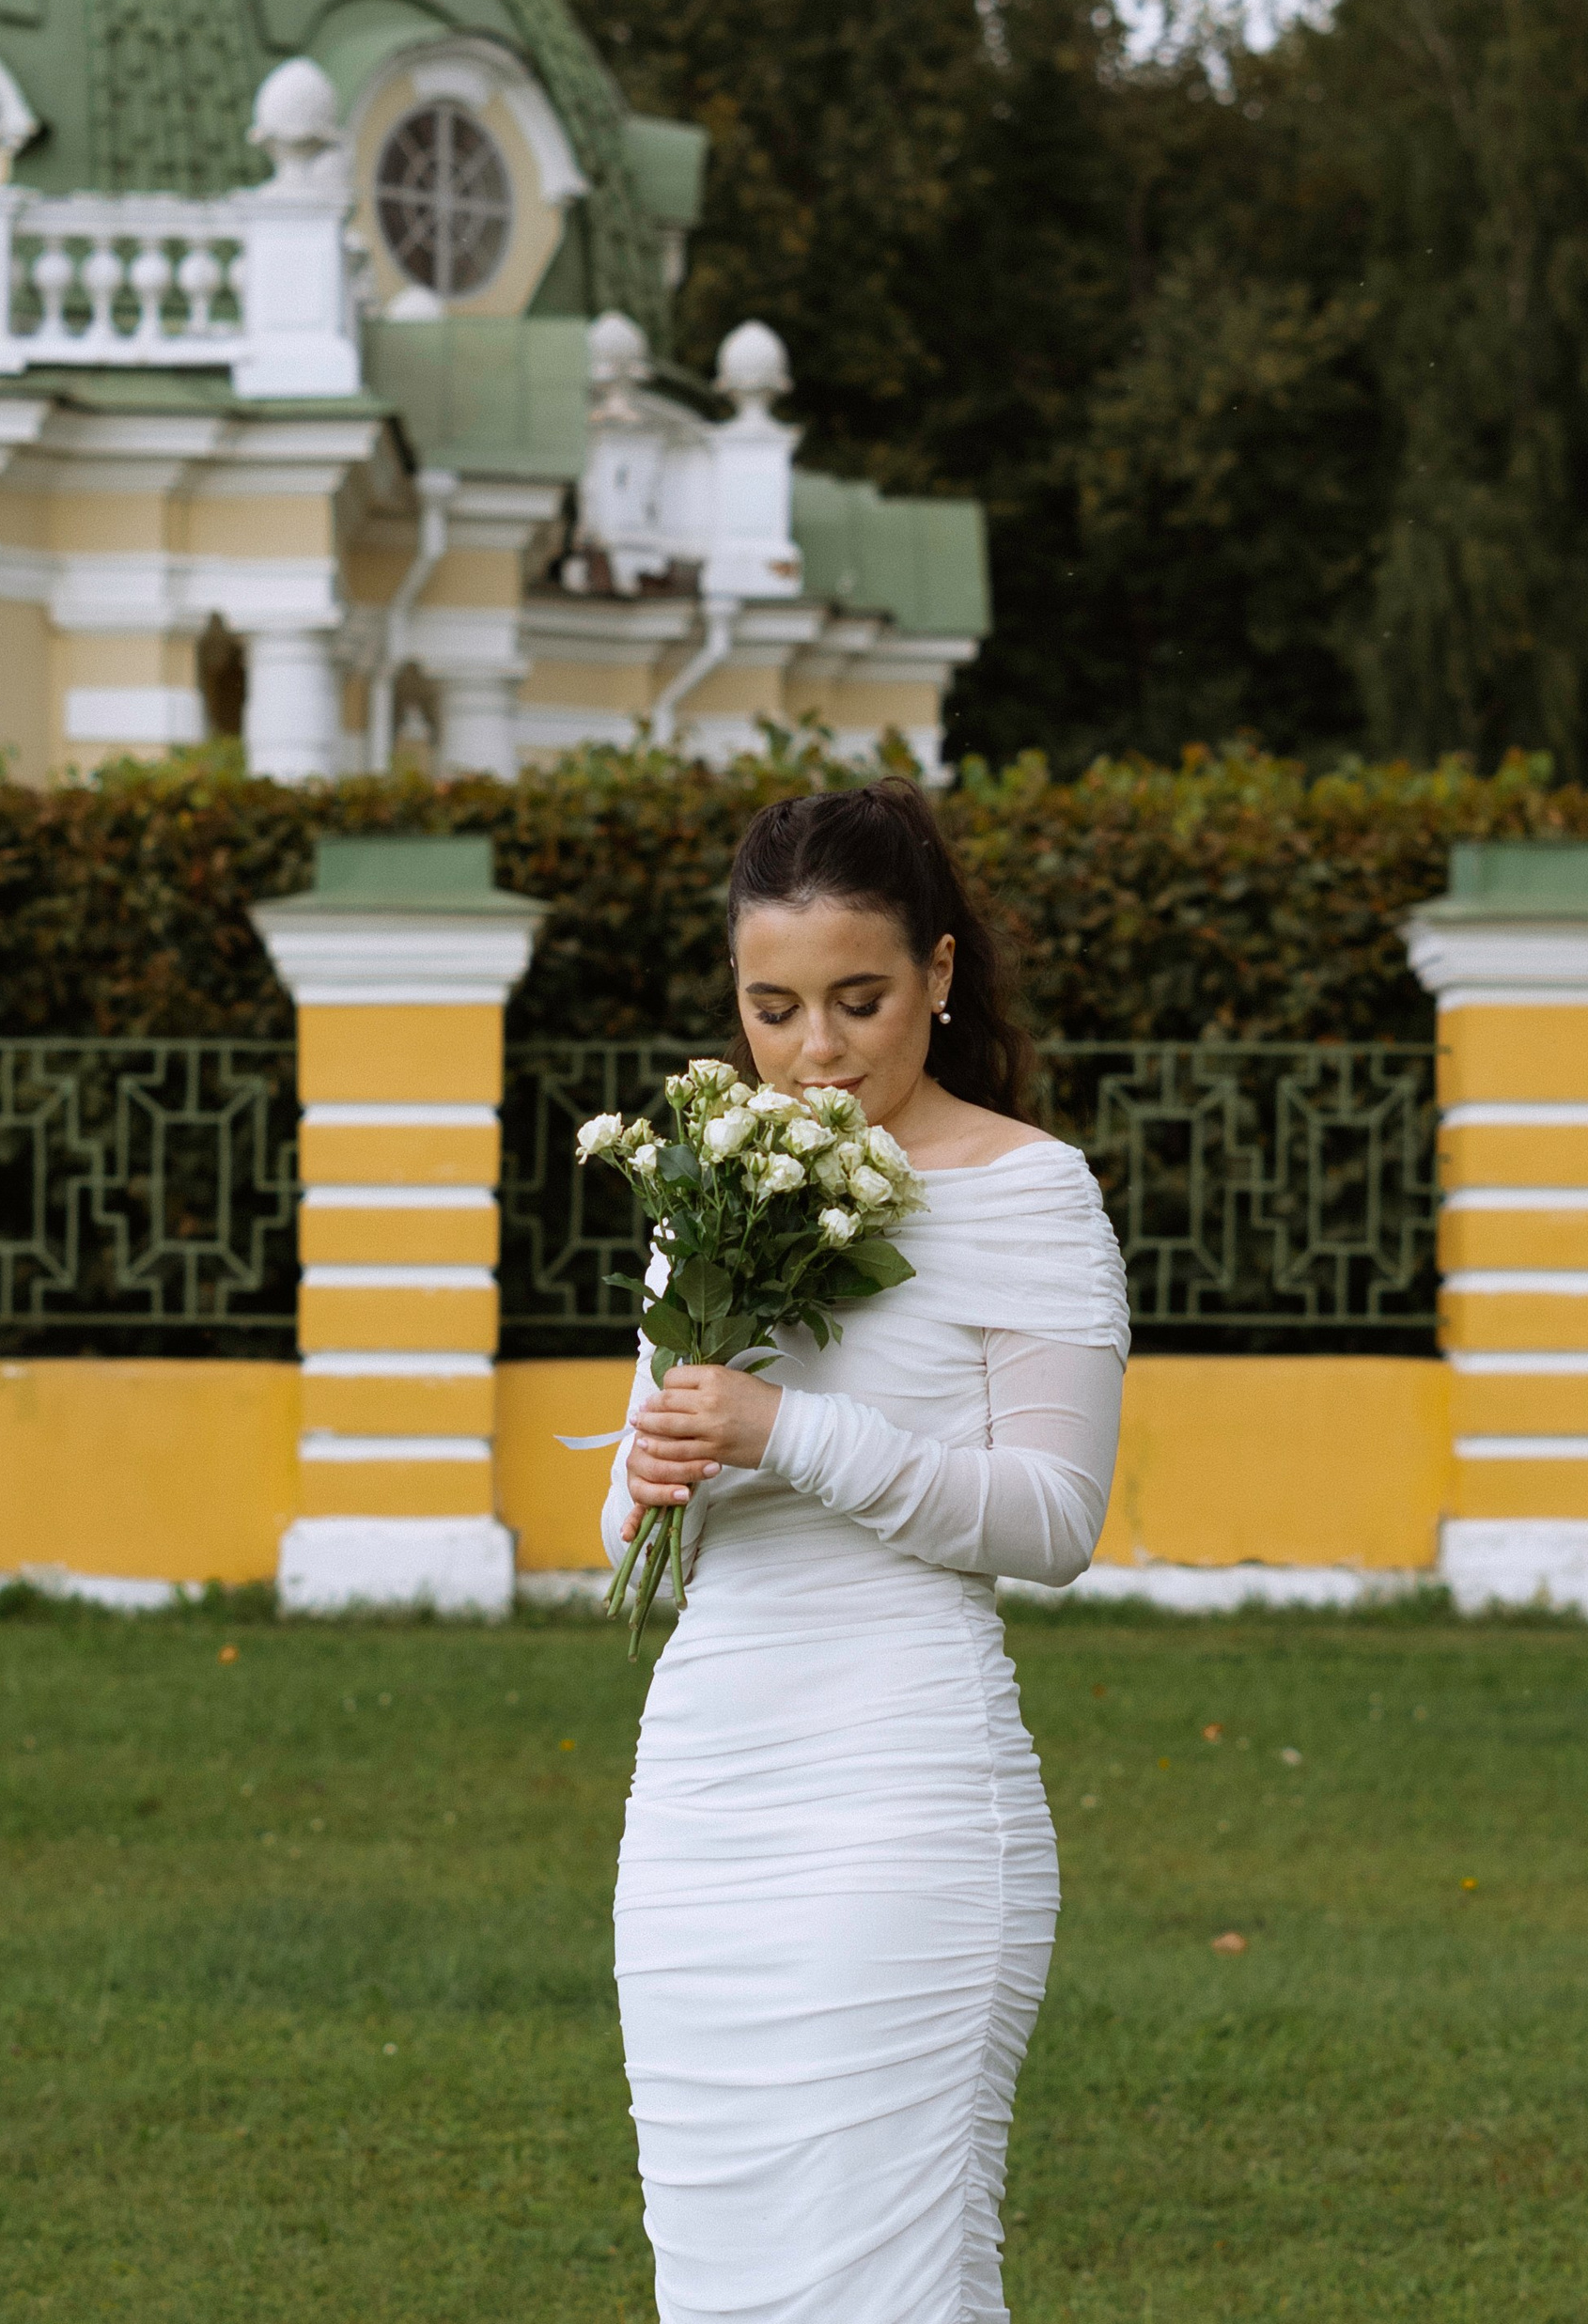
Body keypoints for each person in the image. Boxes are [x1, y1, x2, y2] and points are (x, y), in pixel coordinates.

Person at [603, 777, 1129, 2324]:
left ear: (942, 978)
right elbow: (638, 1516)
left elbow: (1054, 1520)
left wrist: (790, 1434)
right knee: (718, 2278)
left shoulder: (1032, 1196)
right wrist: (650, 1480)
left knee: (887, 2282)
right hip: (704, 1795)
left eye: (859, 1001)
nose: (815, 1052)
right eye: (773, 1007)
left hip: (901, 1801)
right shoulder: (707, 1185)